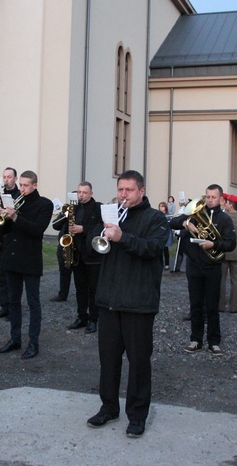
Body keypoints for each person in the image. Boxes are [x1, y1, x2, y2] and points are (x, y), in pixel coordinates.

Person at [86, 170, 168, 438]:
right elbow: (94, 246)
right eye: (120, 190)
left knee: (139, 363)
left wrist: (124, 238)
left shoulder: (155, 218)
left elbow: (153, 249)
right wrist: (100, 234)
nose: (123, 195)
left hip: (138, 303)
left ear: (141, 191)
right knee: (108, 360)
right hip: (109, 300)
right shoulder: (111, 215)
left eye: (128, 190)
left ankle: (137, 415)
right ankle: (109, 407)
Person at [170, 185, 236, 356]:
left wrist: (214, 244)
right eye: (207, 196)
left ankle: (214, 342)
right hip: (194, 266)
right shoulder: (195, 214)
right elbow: (172, 222)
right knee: (196, 305)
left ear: (221, 199)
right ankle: (196, 339)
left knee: (213, 306)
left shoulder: (225, 220)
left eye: (213, 197)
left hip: (213, 267)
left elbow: (231, 243)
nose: (210, 200)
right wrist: (186, 223)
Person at [0, 170, 53, 360]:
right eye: (21, 185)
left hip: (30, 259)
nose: (22, 188)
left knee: (33, 303)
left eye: (26, 185)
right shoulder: (14, 202)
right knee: (13, 301)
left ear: (35, 185)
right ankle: (15, 339)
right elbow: (5, 230)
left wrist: (16, 217)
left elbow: (37, 230)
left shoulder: (45, 204)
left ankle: (33, 343)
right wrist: (1, 217)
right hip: (11, 257)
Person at [62, 182, 103, 333]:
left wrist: (83, 229)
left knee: (93, 289)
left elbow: (102, 226)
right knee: (80, 288)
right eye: (79, 192)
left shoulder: (98, 207)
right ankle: (82, 316)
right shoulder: (73, 208)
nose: (81, 195)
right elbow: (62, 226)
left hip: (92, 255)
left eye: (85, 193)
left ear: (91, 193)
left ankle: (94, 319)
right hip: (77, 253)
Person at [0, 167, 20, 319]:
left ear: (15, 178)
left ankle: (14, 308)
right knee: (1, 277)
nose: (6, 179)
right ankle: (4, 307)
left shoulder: (20, 195)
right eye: (4, 177)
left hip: (13, 238)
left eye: (9, 177)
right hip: (1, 238)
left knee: (12, 278)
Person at [219, 194, 237, 314]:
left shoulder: (222, 218)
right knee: (235, 281)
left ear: (231, 205)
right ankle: (234, 307)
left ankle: (220, 305)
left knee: (221, 280)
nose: (225, 204)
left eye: (227, 202)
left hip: (223, 252)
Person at [49, 202, 74, 303]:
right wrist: (65, 215)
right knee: (64, 271)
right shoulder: (66, 211)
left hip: (78, 243)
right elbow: (56, 225)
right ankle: (63, 294)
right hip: (64, 243)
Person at [158, 202, 173, 270]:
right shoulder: (158, 215)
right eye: (160, 206)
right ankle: (160, 264)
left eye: (162, 206)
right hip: (159, 234)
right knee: (159, 250)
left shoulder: (168, 215)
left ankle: (167, 264)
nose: (161, 208)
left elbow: (170, 223)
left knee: (165, 249)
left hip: (166, 234)